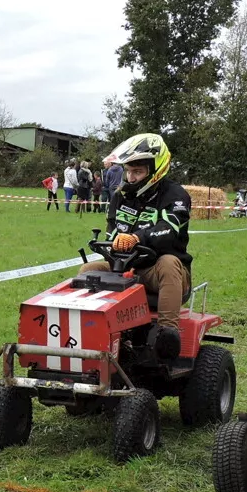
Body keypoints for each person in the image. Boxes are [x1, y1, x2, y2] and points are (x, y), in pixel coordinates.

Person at [76, 133, 191, 359]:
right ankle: (85, 332)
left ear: (155, 169)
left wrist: (137, 238)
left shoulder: (176, 195)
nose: (131, 177)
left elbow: (169, 229)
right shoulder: (121, 196)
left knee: (169, 262)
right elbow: (112, 230)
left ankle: (167, 334)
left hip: (161, 271)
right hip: (126, 266)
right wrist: (112, 245)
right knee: (88, 271)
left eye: (137, 171)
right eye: (128, 171)